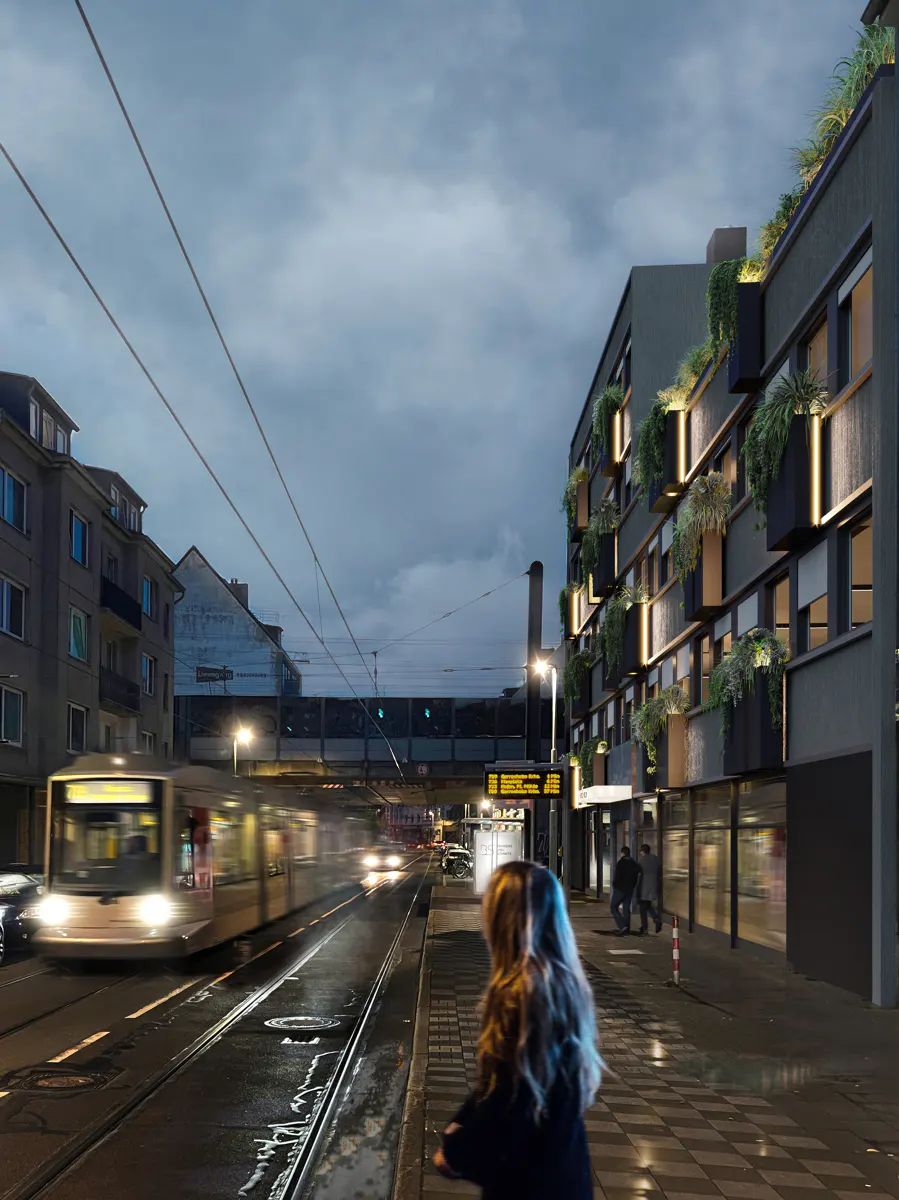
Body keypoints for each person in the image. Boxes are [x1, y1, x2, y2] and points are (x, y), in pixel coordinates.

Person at [433, 861, 601, 1198]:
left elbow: (511, 1099)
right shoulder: (564, 980)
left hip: (532, 1184)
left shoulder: (523, 993)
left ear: (503, 918)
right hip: (564, 1171)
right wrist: (464, 1120)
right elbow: (507, 1081)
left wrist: (455, 1150)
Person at [610, 845, 640, 936]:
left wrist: (615, 886)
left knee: (613, 907)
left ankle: (622, 926)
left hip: (620, 889)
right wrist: (632, 886)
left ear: (622, 853)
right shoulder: (634, 864)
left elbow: (617, 876)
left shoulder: (621, 863)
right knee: (626, 909)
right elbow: (636, 878)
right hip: (629, 889)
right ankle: (627, 928)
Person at [637, 843, 663, 935]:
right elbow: (660, 872)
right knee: (647, 905)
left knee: (642, 909)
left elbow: (638, 874)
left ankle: (644, 928)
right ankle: (656, 919)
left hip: (644, 887)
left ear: (642, 851)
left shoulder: (641, 861)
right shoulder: (656, 859)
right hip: (654, 886)